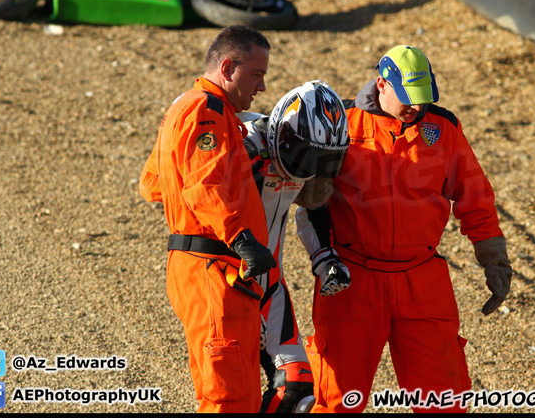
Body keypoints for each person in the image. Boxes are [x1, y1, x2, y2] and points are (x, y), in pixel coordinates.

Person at [295, 45, 513, 413]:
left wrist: (494, 259)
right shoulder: (340, 122)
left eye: (423, 98)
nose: (417, 106)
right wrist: (321, 259)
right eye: (409, 97)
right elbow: (305, 205)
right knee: (335, 400)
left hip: (423, 281)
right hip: (352, 279)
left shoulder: (444, 129)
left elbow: (475, 198)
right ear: (382, 84)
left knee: (444, 400)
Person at [139, 25, 278, 413]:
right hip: (213, 268)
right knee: (228, 397)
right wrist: (243, 239)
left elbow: (153, 183)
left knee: (239, 390)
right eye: (257, 75)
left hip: (202, 266)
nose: (262, 88)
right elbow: (203, 186)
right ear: (228, 67)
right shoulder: (207, 111)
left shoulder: (185, 106)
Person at [238, 80, 352, 413]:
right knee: (232, 396)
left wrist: (326, 258)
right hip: (226, 283)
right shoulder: (244, 145)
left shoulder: (303, 154)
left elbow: (314, 207)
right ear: (283, 136)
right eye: (307, 157)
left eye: (325, 161)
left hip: (271, 286)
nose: (313, 171)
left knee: (298, 390)